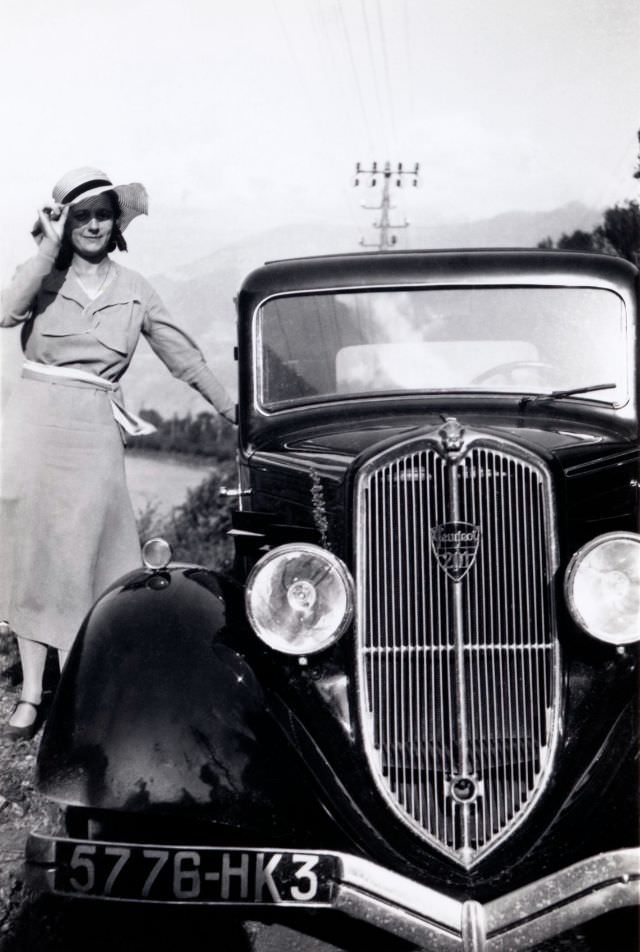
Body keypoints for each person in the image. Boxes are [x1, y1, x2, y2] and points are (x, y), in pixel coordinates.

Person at [0, 167, 235, 739]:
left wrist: (233, 411)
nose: (93, 223)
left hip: (93, 428)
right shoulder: (40, 277)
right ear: (61, 222)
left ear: (118, 221)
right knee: (33, 548)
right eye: (79, 215)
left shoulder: (135, 288)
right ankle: (31, 693)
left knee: (90, 551)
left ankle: (83, 683)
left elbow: (184, 355)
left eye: (102, 212)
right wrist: (43, 251)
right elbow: (4, 313)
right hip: (34, 422)